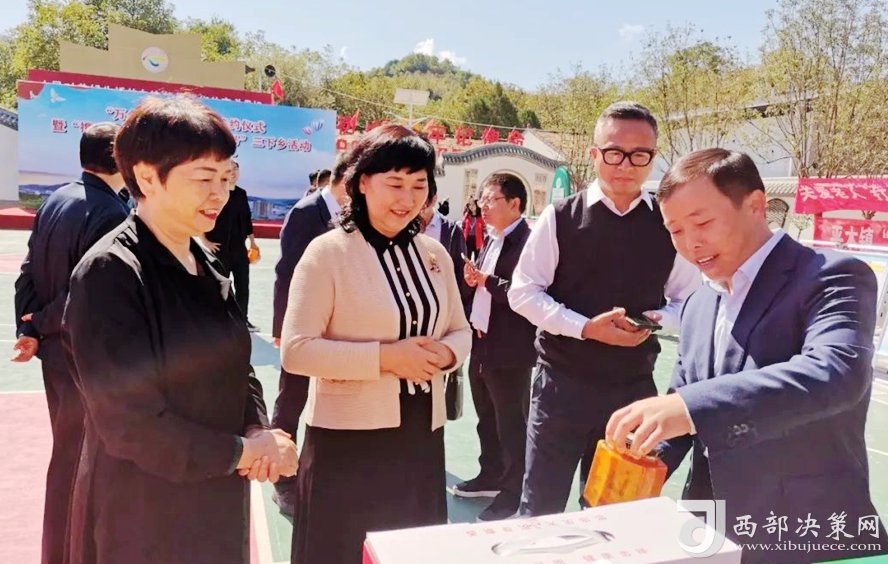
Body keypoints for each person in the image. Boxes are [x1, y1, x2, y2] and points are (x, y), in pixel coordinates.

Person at [606, 148, 887, 563]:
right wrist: (640, 454)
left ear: (756, 205)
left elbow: (836, 373)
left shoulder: (831, 275)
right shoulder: (699, 303)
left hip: (804, 531)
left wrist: (687, 407)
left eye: (702, 222)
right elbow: (684, 409)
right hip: (711, 529)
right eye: (675, 230)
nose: (690, 243)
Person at [61, 96, 298, 564]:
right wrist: (244, 452)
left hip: (215, 499)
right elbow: (130, 425)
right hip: (145, 515)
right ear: (147, 177)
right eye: (204, 179)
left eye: (226, 178)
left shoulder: (205, 259)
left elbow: (236, 366)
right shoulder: (112, 272)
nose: (220, 194)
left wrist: (258, 429)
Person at [280, 124, 471, 564]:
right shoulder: (328, 253)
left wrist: (446, 354)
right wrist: (387, 359)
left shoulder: (434, 254)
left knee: (409, 551)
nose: (408, 198)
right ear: (363, 182)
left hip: (421, 437)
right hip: (348, 445)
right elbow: (297, 349)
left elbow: (460, 330)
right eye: (395, 183)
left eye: (419, 185)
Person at [507, 101, 700, 517]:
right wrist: (584, 327)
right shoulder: (560, 217)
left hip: (632, 392)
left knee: (615, 512)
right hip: (561, 388)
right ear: (595, 154)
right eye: (614, 153)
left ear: (653, 158)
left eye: (639, 155)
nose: (625, 165)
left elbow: (689, 301)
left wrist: (654, 321)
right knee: (539, 509)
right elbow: (523, 292)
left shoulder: (668, 224)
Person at [12, 122, 130, 564]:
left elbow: (28, 272)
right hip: (83, 355)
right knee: (83, 464)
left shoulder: (56, 199)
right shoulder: (112, 213)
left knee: (67, 458)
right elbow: (87, 293)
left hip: (55, 353)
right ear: (118, 157)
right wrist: (40, 323)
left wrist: (29, 330)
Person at [453, 173, 537, 521]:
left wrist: (487, 281)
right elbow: (484, 286)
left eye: (491, 200)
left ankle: (514, 492)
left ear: (515, 203)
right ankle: (490, 474)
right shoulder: (492, 238)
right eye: (482, 199)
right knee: (486, 416)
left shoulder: (529, 243)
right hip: (483, 340)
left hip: (511, 347)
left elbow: (526, 294)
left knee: (512, 423)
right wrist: (474, 280)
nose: (483, 206)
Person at [270, 155, 349, 515]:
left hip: (339, 325)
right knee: (292, 399)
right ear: (345, 179)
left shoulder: (352, 216)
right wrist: (282, 329)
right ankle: (283, 478)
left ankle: (321, 474)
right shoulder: (305, 213)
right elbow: (286, 273)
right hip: (303, 327)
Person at [203, 159, 261, 331]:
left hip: (239, 248)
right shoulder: (216, 193)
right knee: (222, 285)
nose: (233, 172)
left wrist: (253, 242)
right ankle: (223, 319)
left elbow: (247, 219)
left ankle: (242, 320)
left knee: (243, 285)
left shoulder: (241, 194)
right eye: (230, 169)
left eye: (236, 169)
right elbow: (203, 214)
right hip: (219, 247)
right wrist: (205, 241)